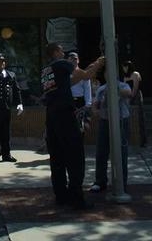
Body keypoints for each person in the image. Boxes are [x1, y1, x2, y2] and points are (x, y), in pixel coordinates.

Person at [41, 43, 104, 209]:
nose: (64, 52)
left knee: (57, 159)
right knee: (75, 156)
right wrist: (99, 62)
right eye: (62, 50)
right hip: (65, 115)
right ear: (56, 52)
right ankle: (76, 199)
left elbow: (71, 81)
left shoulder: (46, 70)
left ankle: (61, 196)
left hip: (51, 117)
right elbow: (86, 75)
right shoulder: (63, 64)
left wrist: (88, 68)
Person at [89, 69, 132, 192]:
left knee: (121, 151)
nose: (109, 75)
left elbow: (129, 93)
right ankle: (100, 181)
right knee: (101, 151)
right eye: (106, 73)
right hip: (105, 120)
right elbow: (95, 104)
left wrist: (115, 89)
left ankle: (122, 182)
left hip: (121, 120)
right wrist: (95, 110)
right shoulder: (101, 89)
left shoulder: (122, 85)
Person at [121, 59, 147, 147]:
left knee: (139, 117)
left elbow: (135, 87)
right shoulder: (125, 77)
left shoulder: (135, 74)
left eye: (125, 67)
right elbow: (124, 87)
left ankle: (142, 141)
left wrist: (132, 95)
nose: (124, 69)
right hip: (128, 97)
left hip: (136, 96)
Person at [68, 52, 92, 132]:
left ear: (78, 60)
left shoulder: (83, 74)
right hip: (68, 101)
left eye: (75, 59)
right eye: (71, 59)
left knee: (80, 127)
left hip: (80, 102)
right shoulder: (65, 74)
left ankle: (79, 143)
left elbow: (87, 90)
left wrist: (88, 104)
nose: (73, 61)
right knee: (68, 126)